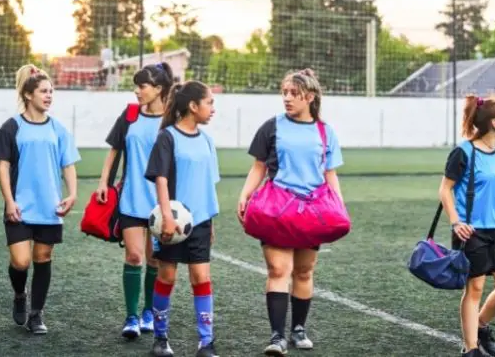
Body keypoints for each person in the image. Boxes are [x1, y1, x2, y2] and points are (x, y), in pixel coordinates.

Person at [237, 69, 345, 356]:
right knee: (278, 269)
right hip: (277, 208)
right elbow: (258, 166)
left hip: (313, 211)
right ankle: (277, 337)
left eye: (293, 93)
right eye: (284, 92)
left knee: (304, 270)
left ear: (309, 97)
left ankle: (298, 329)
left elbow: (329, 173)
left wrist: (339, 204)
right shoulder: (271, 127)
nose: (286, 98)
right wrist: (245, 194)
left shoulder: (326, 131)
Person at [0, 65, 80, 335]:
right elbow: (3, 166)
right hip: (19, 206)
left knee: (43, 257)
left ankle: (36, 314)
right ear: (28, 95)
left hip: (49, 207)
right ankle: (20, 293)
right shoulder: (12, 127)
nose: (49, 96)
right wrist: (9, 200)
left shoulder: (59, 129)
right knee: (21, 261)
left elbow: (68, 164)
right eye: (43, 91)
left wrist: (72, 193)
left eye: (51, 91)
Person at [439, 95, 495, 357]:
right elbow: (445, 190)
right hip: (472, 232)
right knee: (474, 288)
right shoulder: (464, 152)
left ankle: (480, 325)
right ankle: (471, 347)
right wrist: (456, 222)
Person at [97, 62, 174, 339]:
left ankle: (148, 313)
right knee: (133, 256)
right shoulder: (130, 114)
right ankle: (131, 317)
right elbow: (114, 149)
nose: (136, 91)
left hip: (160, 203)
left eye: (141, 86)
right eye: (136, 85)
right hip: (130, 198)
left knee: (154, 261)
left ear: (158, 89)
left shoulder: (172, 119)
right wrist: (104, 182)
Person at [144, 80, 220, 357]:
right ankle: (161, 338)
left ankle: (206, 342)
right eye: (209, 102)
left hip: (200, 222)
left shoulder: (207, 141)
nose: (213, 108)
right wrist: (166, 216)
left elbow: (208, 184)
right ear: (192, 105)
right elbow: (161, 180)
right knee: (167, 276)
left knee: (201, 277)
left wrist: (211, 222)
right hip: (172, 224)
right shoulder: (168, 137)